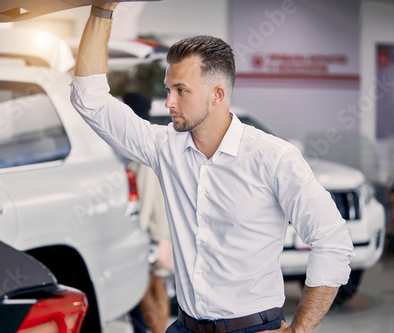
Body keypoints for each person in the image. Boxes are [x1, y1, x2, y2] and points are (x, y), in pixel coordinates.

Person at [70, 3, 354, 333]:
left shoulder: (274, 158)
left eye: (181, 91)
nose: (168, 103)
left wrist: (298, 330)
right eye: (168, 89)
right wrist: (102, 10)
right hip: (185, 326)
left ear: (218, 94)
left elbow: (332, 241)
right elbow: (88, 98)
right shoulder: (165, 148)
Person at [124, 92, 174, 333]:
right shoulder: (155, 143)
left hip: (149, 233)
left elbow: (145, 200)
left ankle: (157, 332)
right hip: (161, 230)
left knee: (142, 288)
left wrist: (138, 234)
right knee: (157, 285)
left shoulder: (141, 151)